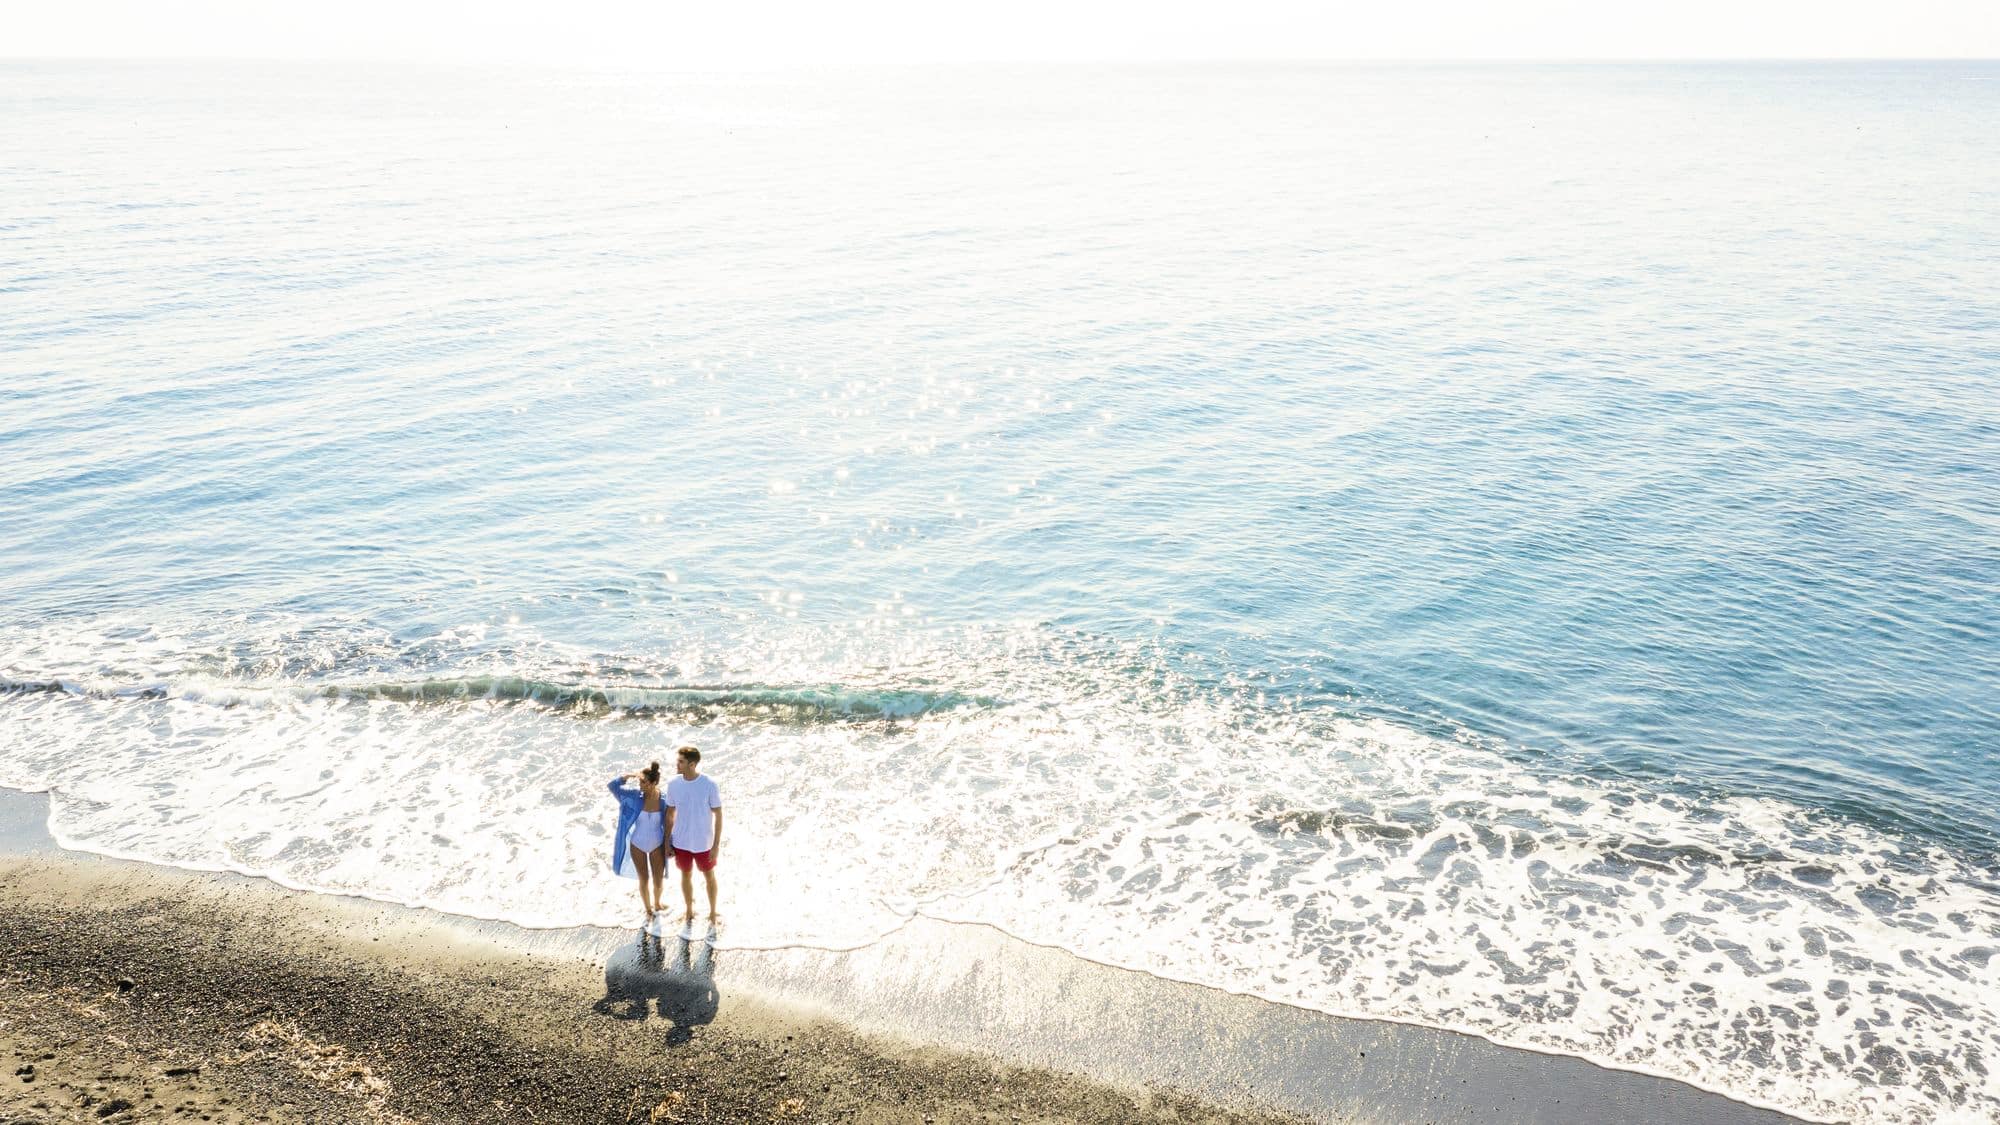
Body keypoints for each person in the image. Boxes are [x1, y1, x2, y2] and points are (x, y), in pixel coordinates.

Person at [665, 744, 723, 925]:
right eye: (678, 761)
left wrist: (716, 845)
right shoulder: (673, 784)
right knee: (685, 875)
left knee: (709, 876)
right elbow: (669, 814)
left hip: (704, 843)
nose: (677, 764)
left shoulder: (709, 784)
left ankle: (713, 912)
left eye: (681, 762)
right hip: (681, 841)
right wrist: (667, 841)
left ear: (692, 764)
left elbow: (718, 814)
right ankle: (689, 910)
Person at [607, 761, 669, 923]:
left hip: (657, 844)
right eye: (639, 781)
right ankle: (648, 909)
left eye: (643, 782)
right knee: (644, 879)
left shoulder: (664, 800)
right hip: (637, 844)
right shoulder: (634, 797)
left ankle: (657, 903)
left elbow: (671, 824)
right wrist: (625, 777)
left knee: (658, 879)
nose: (640, 785)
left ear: (654, 783)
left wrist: (672, 846)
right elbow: (612, 786)